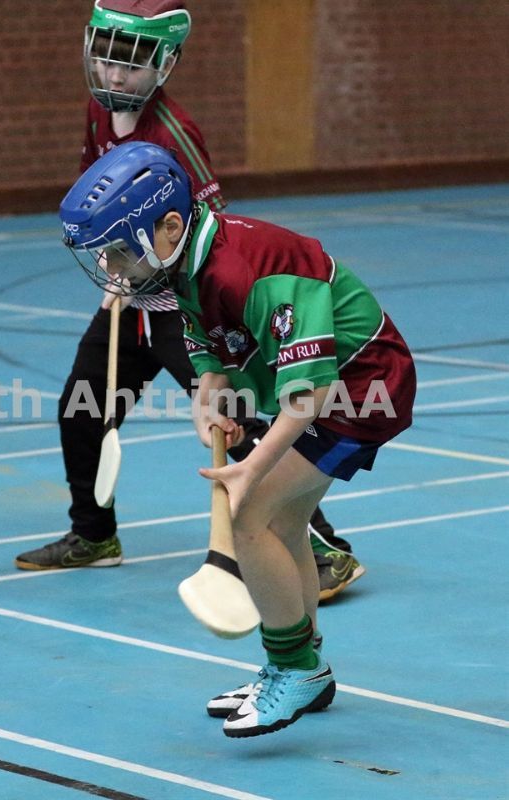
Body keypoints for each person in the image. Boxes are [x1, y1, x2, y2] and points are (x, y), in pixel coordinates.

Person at [58, 141, 416, 737]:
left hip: (359, 388)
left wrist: (252, 468)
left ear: (170, 226)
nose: (114, 270)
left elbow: (310, 392)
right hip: (325, 388)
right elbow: (206, 345)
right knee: (284, 523)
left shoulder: (242, 269)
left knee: (252, 515)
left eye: (120, 251)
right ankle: (304, 667)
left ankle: (294, 669)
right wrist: (208, 400)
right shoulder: (187, 264)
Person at [14, 0, 364, 602]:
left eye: (131, 65)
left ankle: (322, 548)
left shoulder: (172, 134)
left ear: (163, 66)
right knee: (82, 406)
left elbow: (208, 225)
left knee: (236, 417)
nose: (115, 75)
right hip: (130, 302)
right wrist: (117, 274)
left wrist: (183, 298)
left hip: (184, 308)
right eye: (106, 61)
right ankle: (93, 535)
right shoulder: (99, 115)